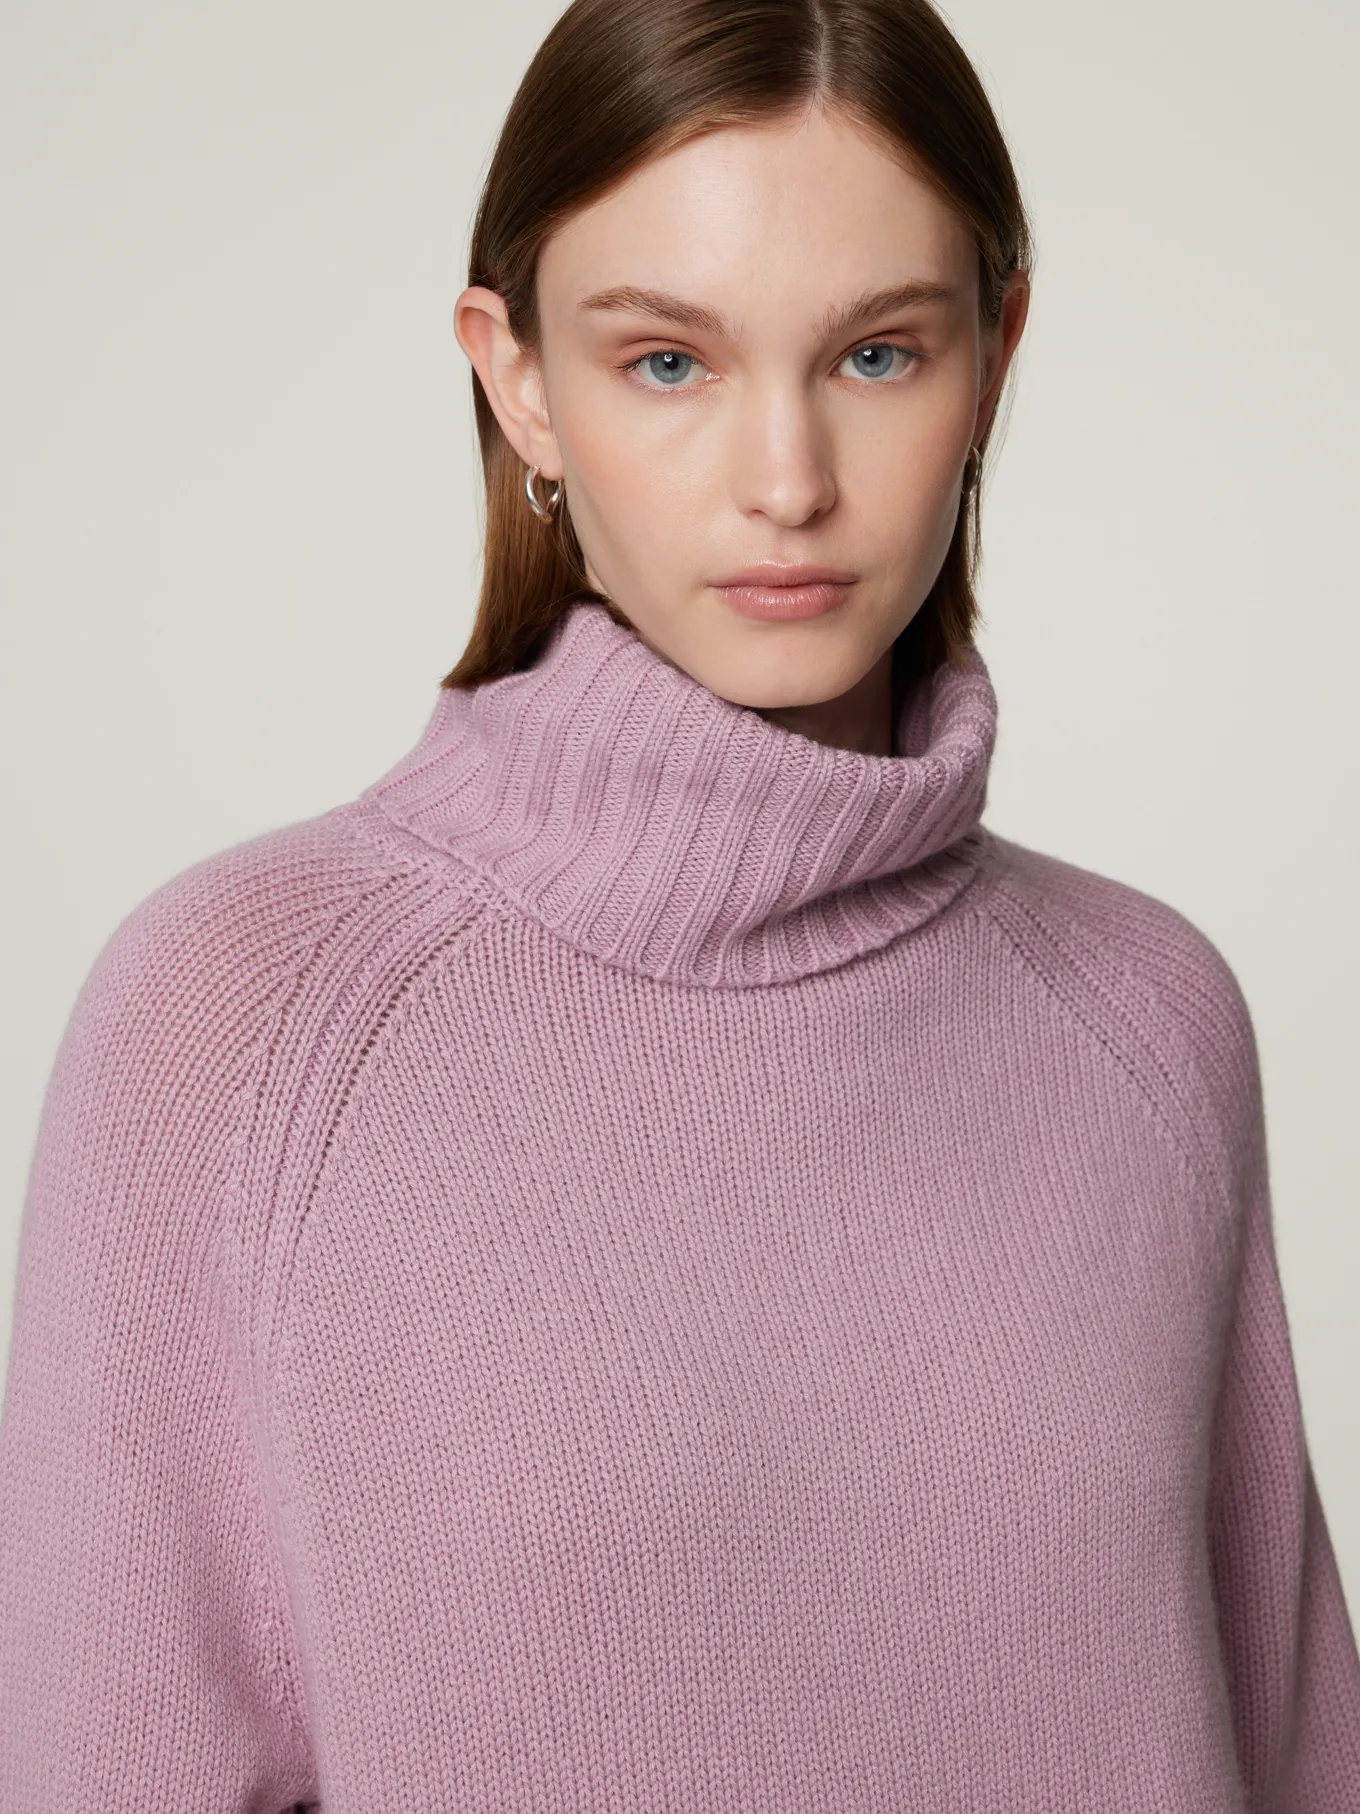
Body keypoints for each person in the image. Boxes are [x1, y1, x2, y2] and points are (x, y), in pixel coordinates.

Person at [1, 0, 1357, 1806]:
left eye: (877, 353)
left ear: (994, 361)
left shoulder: (1150, 1021)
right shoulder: (235, 1022)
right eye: (666, 361)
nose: (787, 480)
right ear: (516, 379)